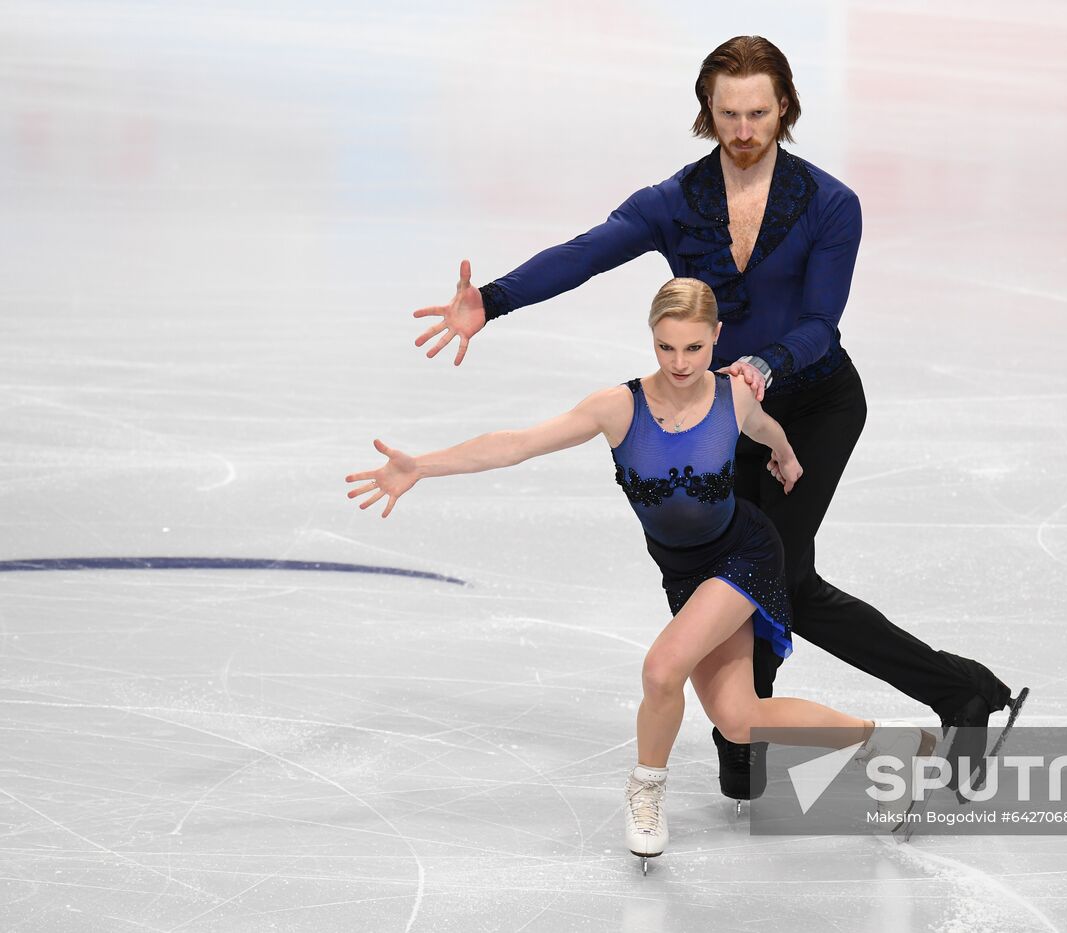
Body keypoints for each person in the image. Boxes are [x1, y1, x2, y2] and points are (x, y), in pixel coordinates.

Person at [409, 35, 1023, 802]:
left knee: (782, 576)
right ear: (708, 112)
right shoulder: (677, 202)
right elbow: (587, 252)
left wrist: (764, 365)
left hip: (813, 402)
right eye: (728, 113)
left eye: (758, 112)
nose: (742, 128)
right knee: (743, 562)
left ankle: (952, 693)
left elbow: (820, 322)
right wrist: (492, 300)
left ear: (785, 108)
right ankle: (759, 724)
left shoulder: (830, 203)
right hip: (721, 408)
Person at [348, 279, 936, 865]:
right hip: (684, 575)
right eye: (666, 347)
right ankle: (890, 744)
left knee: (661, 669)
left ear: (716, 340)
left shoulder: (734, 396)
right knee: (739, 721)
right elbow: (517, 444)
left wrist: (785, 455)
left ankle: (645, 790)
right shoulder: (619, 407)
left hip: (745, 555)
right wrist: (421, 466)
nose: (680, 363)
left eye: (694, 349)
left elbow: (766, 430)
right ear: (651, 340)